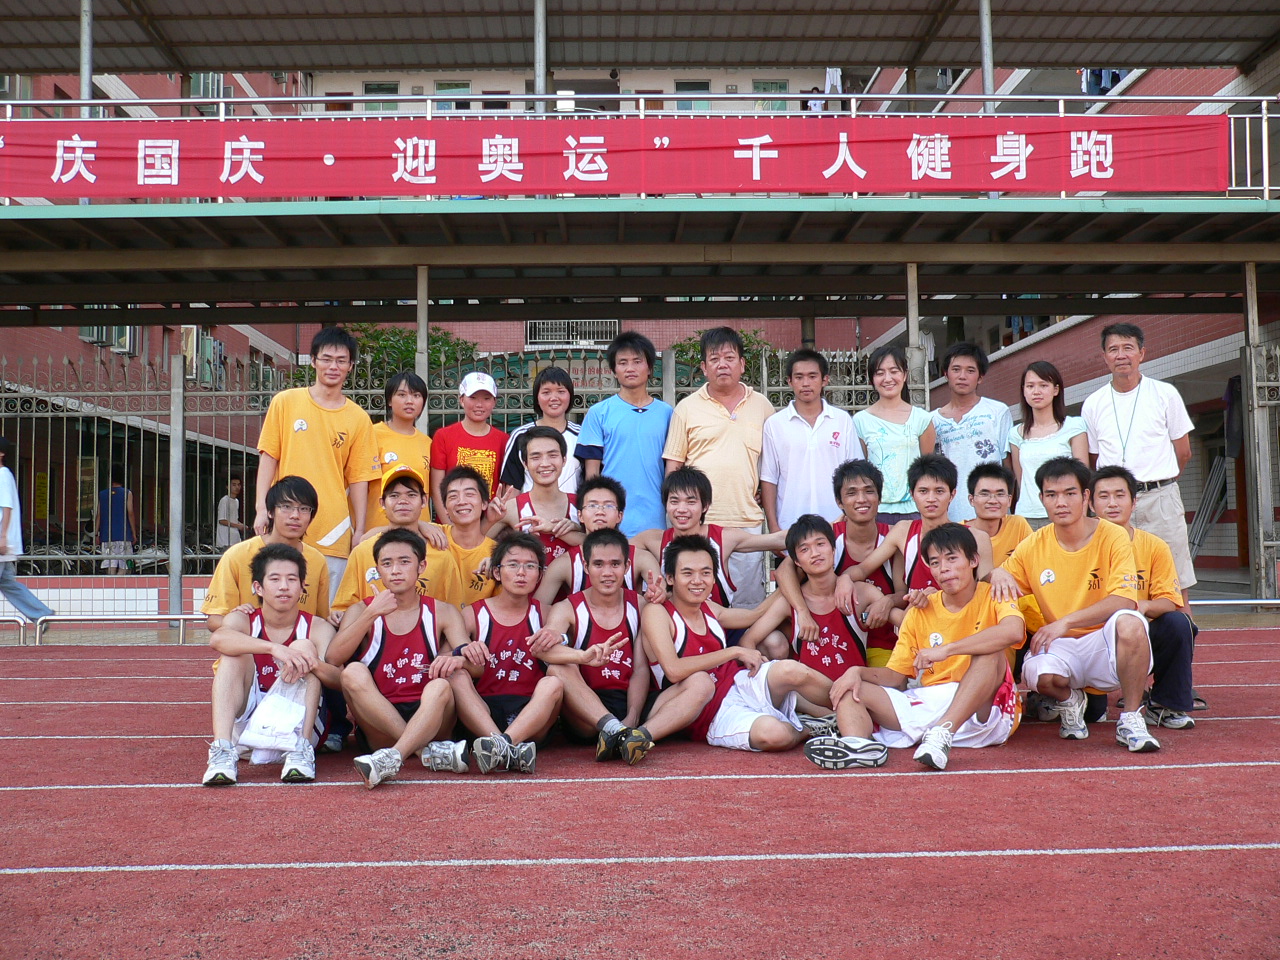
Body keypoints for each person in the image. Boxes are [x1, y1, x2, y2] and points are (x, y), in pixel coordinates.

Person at [806, 524, 1023, 772]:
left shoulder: (995, 592)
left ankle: (943, 733)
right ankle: (858, 746)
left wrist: (947, 650)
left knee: (991, 652)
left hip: (983, 707)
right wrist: (857, 672)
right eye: (936, 563)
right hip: (930, 700)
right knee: (851, 688)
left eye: (952, 559)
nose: (944, 569)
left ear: (974, 560)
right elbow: (894, 676)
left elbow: (1013, 631)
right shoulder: (921, 610)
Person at [990, 456, 1161, 753]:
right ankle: (1070, 700)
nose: (1061, 502)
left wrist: (1066, 622)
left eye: (1070, 493)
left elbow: (1125, 599)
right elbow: (995, 587)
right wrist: (995, 573)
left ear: (1085, 496)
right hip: (1062, 646)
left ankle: (1131, 718)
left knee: (1131, 622)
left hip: (1103, 641)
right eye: (1051, 494)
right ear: (1041, 499)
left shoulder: (1113, 535)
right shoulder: (1033, 545)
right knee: (1039, 676)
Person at [642, 534, 835, 753]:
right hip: (710, 713)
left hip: (737, 682)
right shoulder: (657, 612)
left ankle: (853, 706)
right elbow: (674, 670)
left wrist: (794, 574)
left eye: (705, 573)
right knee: (775, 734)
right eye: (688, 573)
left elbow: (756, 614)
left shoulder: (709, 608)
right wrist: (734, 652)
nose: (697, 581)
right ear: (670, 578)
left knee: (791, 670)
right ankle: (809, 728)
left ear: (714, 578)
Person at [530, 528, 700, 764]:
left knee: (701, 682)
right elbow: (544, 651)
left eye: (615, 564)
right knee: (558, 668)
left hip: (633, 703)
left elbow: (640, 669)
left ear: (627, 566)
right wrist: (582, 656)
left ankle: (635, 735)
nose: (607, 573)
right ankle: (616, 730)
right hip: (586, 711)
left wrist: (632, 716)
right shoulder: (567, 608)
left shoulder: (641, 605)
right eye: (598, 564)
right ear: (586, 566)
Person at [328, 529, 477, 788]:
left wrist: (458, 660)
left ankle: (394, 756)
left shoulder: (443, 611)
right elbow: (333, 658)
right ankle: (423, 752)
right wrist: (371, 614)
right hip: (379, 724)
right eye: (387, 563)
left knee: (442, 684)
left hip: (432, 718)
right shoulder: (362, 609)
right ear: (377, 570)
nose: (395, 570)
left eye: (404, 562)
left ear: (422, 566)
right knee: (351, 672)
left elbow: (475, 668)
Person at [255, 326, 380, 597]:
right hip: (284, 523)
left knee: (326, 611)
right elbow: (269, 457)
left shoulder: (358, 418)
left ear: (351, 366)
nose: (333, 367)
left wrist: (360, 529)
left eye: (341, 360)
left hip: (332, 530)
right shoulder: (285, 402)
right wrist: (261, 508)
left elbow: (359, 478)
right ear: (313, 361)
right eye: (326, 359)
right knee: (279, 601)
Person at [202, 543, 340, 786]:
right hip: (247, 731)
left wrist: (311, 663)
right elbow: (218, 639)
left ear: (302, 586)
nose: (284, 586)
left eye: (291, 579)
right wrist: (274, 648)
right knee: (232, 655)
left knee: (303, 649)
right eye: (275, 579)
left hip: (297, 725)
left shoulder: (318, 627)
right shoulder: (243, 619)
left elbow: (338, 680)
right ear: (258, 587)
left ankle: (300, 750)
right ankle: (222, 751)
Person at [1081, 322, 1197, 606]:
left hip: (1160, 497)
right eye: (1113, 349)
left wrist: (1162, 481)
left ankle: (1183, 626)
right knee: (1114, 572)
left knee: (1175, 574)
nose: (1121, 355)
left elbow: (1183, 451)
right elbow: (1095, 458)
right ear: (1104, 356)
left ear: (1142, 353)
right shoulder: (1093, 403)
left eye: (1128, 348)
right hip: (1114, 502)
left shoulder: (1165, 393)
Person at [662, 327, 775, 607]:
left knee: (747, 603)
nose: (722, 364)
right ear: (703, 367)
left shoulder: (762, 406)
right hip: (700, 525)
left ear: (742, 364)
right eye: (714, 359)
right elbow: (674, 467)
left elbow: (773, 464)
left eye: (729, 357)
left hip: (746, 520)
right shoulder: (686, 408)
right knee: (698, 600)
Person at [1090, 466, 1198, 732]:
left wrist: (1139, 607)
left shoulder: (1153, 545)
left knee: (1178, 623)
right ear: (1090, 504)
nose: (1112, 503)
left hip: (1138, 634)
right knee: (1092, 715)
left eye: (1120, 495)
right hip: (1091, 637)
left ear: (1134, 501)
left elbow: (1169, 600)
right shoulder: (1081, 546)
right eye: (1103, 496)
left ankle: (1165, 705)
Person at [447, 533, 563, 774]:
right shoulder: (473, 614)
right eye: (513, 565)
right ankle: (504, 746)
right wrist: (461, 653)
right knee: (454, 674)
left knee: (554, 682)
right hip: (483, 713)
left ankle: (500, 745)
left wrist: (561, 637)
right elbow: (442, 659)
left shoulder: (548, 614)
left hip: (532, 715)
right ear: (497, 573)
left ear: (540, 575)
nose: (521, 573)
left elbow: (566, 647)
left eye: (530, 566)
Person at [834, 454, 994, 613]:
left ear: (952, 494)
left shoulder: (977, 538)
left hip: (963, 622)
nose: (931, 499)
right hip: (915, 624)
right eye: (923, 491)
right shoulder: (902, 531)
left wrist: (997, 575)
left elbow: (986, 591)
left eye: (939, 491)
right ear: (912, 494)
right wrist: (844, 579)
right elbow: (863, 569)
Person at [739, 515, 885, 682]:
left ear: (833, 549)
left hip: (854, 687)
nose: (815, 553)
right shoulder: (790, 602)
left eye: (820, 544)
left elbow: (901, 620)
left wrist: (887, 603)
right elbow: (747, 640)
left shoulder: (862, 592)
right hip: (808, 692)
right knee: (773, 643)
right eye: (804, 549)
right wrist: (761, 670)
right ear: (796, 561)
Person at [632, 466, 786, 612]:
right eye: (674, 501)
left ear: (705, 506)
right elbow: (619, 550)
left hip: (721, 624)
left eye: (691, 502)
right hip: (670, 626)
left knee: (769, 633)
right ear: (665, 504)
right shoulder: (653, 540)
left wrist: (801, 531)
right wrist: (652, 578)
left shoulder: (723, 538)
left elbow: (776, 540)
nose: (681, 509)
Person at [202, 475, 331, 633]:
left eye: (304, 509)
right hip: (249, 646)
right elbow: (215, 620)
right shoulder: (237, 555)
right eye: (286, 506)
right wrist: (252, 629)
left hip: (298, 646)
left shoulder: (317, 560)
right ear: (270, 512)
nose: (295, 515)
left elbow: (321, 618)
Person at [332, 465, 465, 614]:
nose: (403, 501)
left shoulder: (441, 555)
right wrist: (339, 615)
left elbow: (454, 613)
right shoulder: (362, 552)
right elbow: (343, 608)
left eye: (411, 495)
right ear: (382, 503)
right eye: (394, 496)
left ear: (424, 501)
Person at [578, 331, 673, 537]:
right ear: (614, 370)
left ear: (649, 367)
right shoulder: (599, 413)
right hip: (612, 520)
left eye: (637, 361)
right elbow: (592, 475)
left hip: (656, 518)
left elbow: (673, 468)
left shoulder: (667, 413)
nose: (630, 368)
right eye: (623, 362)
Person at [760, 348, 861, 533]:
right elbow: (769, 478)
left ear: (825, 380)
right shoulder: (775, 424)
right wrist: (774, 527)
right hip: (789, 525)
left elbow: (854, 473)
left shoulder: (842, 420)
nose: (805, 383)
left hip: (837, 523)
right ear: (789, 381)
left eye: (812, 376)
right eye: (799, 377)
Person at [534, 475, 663, 605]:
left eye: (608, 506)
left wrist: (656, 597)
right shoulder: (564, 564)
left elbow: (662, 593)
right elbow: (537, 609)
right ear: (580, 515)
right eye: (592, 505)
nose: (600, 511)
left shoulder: (641, 558)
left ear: (620, 516)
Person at [852, 344, 935, 522]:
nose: (887, 378)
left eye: (894, 371)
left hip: (914, 511)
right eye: (880, 373)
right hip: (875, 511)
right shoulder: (860, 421)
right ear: (872, 379)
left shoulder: (921, 419)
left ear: (904, 375)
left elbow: (927, 470)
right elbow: (861, 469)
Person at [930, 342, 1012, 522]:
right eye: (956, 369)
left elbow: (1008, 465)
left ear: (980, 377)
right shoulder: (931, 421)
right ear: (945, 374)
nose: (962, 376)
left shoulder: (997, 412)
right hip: (947, 516)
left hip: (991, 515)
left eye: (970, 370)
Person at [1009, 361, 1088, 528]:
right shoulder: (1016, 434)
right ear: (1023, 391)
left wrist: (1082, 518)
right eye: (1030, 386)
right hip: (1026, 516)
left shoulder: (1074, 426)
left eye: (1043, 385)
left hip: (1064, 513)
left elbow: (1083, 478)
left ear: (1056, 390)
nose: (1036, 391)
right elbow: (1021, 480)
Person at [488, 426, 582, 565]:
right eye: (536, 457)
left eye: (552, 455)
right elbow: (475, 545)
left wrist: (575, 528)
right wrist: (488, 520)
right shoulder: (511, 507)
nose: (545, 464)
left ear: (564, 460)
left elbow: (601, 546)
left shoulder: (581, 505)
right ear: (525, 463)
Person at [430, 371, 509, 520]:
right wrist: (449, 526)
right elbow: (436, 487)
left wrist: (492, 525)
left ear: (494, 402)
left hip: (489, 524)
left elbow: (505, 488)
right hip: (451, 522)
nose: (479, 404)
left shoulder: (504, 440)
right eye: (473, 398)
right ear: (461, 400)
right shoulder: (443, 436)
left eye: (486, 398)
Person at [499, 366, 584, 494]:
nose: (554, 398)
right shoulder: (520, 435)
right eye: (546, 392)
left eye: (561, 391)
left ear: (570, 395)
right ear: (537, 398)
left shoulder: (582, 435)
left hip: (571, 507)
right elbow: (511, 487)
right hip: (530, 507)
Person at [0, 437, 56, 629]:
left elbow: (6, 508)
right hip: (5, 543)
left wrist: (2, 537)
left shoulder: (2, 475)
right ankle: (42, 614)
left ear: (2, 454)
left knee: (8, 584)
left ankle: (42, 614)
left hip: (2, 542)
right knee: (8, 584)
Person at [367, 371, 433, 531]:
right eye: (402, 395)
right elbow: (359, 485)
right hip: (378, 530)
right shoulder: (371, 435)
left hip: (418, 531)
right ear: (389, 400)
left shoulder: (427, 443)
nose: (409, 401)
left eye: (416, 395)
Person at [439, 465, 502, 604]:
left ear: (484, 503)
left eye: (469, 494)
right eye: (453, 496)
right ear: (445, 509)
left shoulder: (497, 553)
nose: (461, 501)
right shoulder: (433, 536)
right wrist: (421, 525)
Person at [964, 463, 1033, 566]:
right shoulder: (959, 533)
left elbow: (1034, 561)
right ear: (971, 500)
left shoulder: (1018, 525)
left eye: (1000, 494)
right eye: (985, 494)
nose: (993, 501)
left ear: (1009, 500)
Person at [96, 466, 136, 576]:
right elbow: (130, 513)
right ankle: (119, 582)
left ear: (110, 478)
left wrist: (96, 533)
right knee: (125, 565)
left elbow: (99, 514)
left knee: (110, 564)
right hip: (124, 534)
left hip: (107, 535)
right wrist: (134, 532)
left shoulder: (103, 494)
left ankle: (112, 583)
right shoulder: (127, 493)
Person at [215, 475, 247, 551]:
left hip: (234, 539)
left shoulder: (236, 501)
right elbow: (222, 520)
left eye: (238, 485)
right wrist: (238, 526)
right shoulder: (224, 500)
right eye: (234, 485)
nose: (237, 487)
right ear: (227, 486)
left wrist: (242, 525)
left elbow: (234, 519)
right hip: (225, 540)